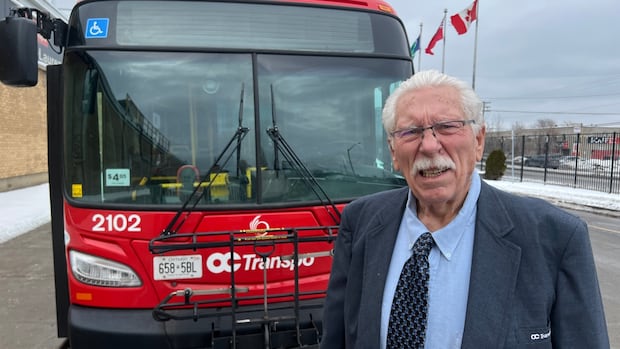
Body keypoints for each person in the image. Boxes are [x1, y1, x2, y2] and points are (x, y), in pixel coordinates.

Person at [320, 70, 609, 348]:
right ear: (394, 152)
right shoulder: (361, 222)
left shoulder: (556, 237)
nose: (430, 146)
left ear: (478, 141)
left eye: (447, 126)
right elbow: (338, 339)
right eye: (411, 132)